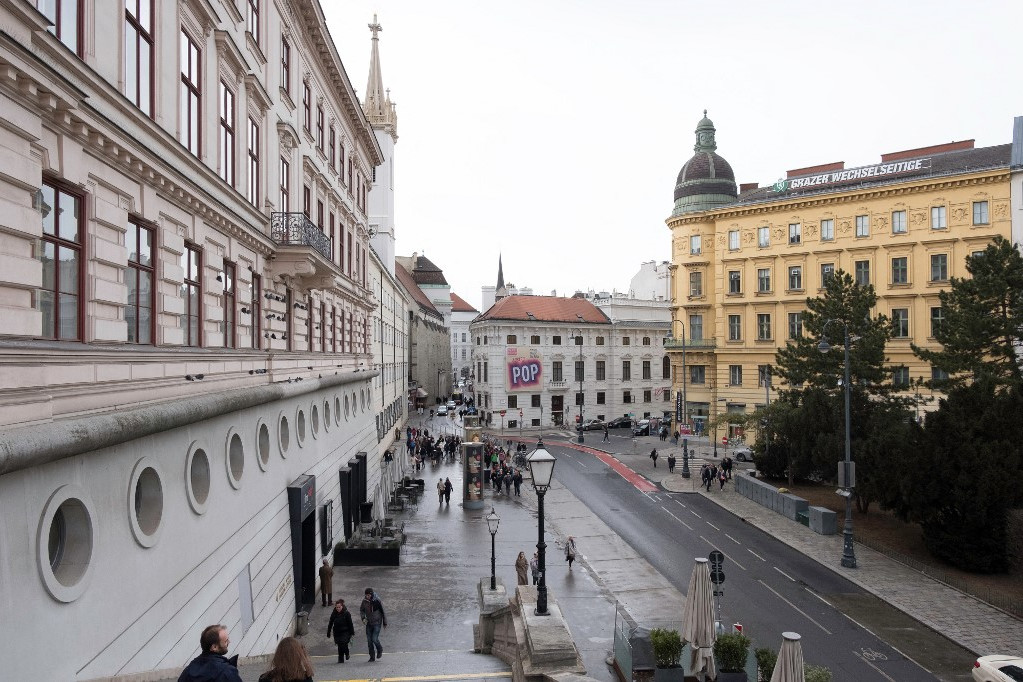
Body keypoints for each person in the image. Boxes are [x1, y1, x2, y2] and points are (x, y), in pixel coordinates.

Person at [177, 624, 242, 682]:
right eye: (226, 641)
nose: (229, 642)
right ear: (214, 647)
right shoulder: (227, 672)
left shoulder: (188, 671)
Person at [359, 588, 387, 662]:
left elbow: (383, 611)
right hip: (369, 623)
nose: (367, 596)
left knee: (374, 638)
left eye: (368, 595)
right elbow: (361, 610)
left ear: (371, 594)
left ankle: (379, 649)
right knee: (369, 641)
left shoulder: (377, 601)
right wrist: (363, 618)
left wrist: (385, 622)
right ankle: (372, 656)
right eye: (366, 595)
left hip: (377, 622)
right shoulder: (364, 601)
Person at [327, 599, 355, 664]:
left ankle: (347, 653)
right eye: (337, 607)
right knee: (339, 645)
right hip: (337, 632)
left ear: (342, 606)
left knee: (343, 643)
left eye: (339, 607)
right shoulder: (334, 613)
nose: (338, 609)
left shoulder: (347, 613)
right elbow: (330, 622)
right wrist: (328, 632)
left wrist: (352, 632)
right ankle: (341, 659)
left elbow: (350, 623)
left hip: (345, 631)